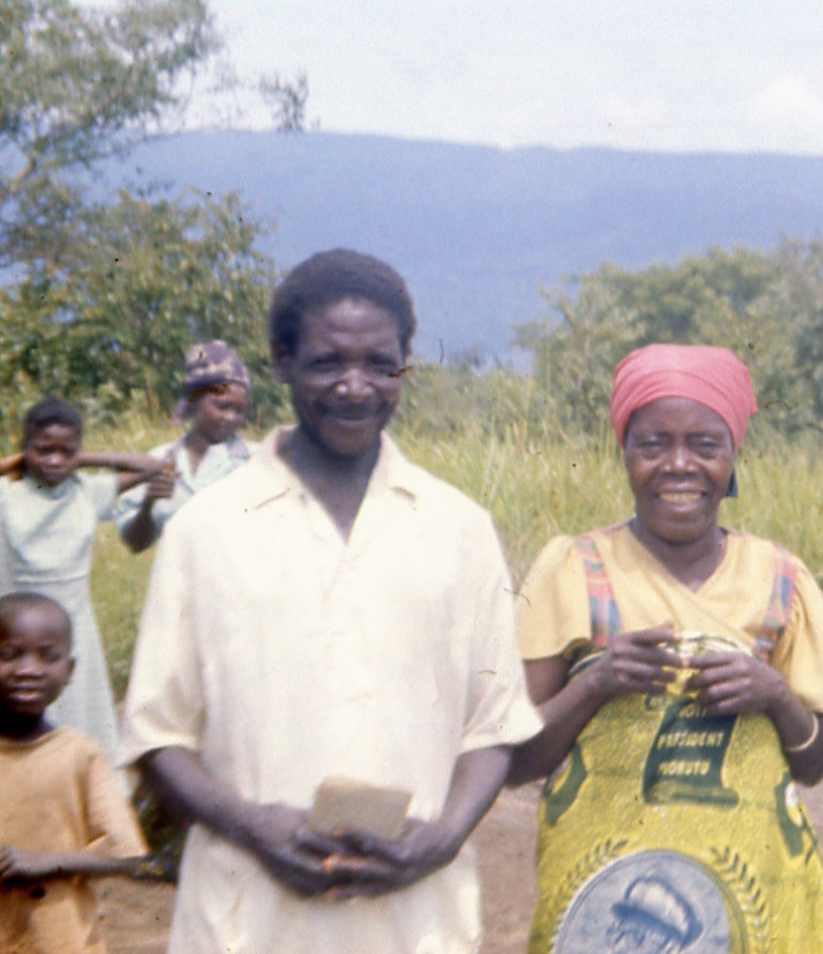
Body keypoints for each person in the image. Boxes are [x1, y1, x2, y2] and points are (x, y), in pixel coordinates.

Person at [119, 249, 544, 954]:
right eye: (326, 362)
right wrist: (253, 824)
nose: (355, 387)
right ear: (282, 360)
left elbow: (493, 724)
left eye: (381, 363)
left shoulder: (458, 527)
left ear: (406, 362)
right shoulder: (207, 528)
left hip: (414, 921)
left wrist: (442, 837)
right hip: (249, 919)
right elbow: (158, 736)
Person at [510, 342, 823, 954]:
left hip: (756, 905)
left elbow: (815, 763)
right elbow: (515, 760)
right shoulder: (571, 569)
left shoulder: (781, 579)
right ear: (625, 454)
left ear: (732, 456)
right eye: (653, 444)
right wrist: (597, 681)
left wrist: (774, 695)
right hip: (600, 911)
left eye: (704, 444)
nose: (679, 465)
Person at [0, 397, 168, 758]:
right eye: (43, 450)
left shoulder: (85, 492)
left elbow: (154, 466)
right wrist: (17, 462)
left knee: (77, 716)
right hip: (16, 626)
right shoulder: (7, 496)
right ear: (26, 446)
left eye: (66, 451)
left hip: (73, 628)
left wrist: (85, 458)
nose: (55, 460)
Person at [0, 591, 149, 954]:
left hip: (60, 942)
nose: (28, 669)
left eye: (48, 656)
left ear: (69, 670)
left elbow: (126, 853)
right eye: (9, 655)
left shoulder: (79, 755)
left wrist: (48, 862)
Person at [116, 340, 254, 552]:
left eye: (239, 410)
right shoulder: (159, 460)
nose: (231, 418)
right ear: (193, 401)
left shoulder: (256, 461)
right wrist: (149, 503)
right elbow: (135, 545)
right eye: (222, 406)